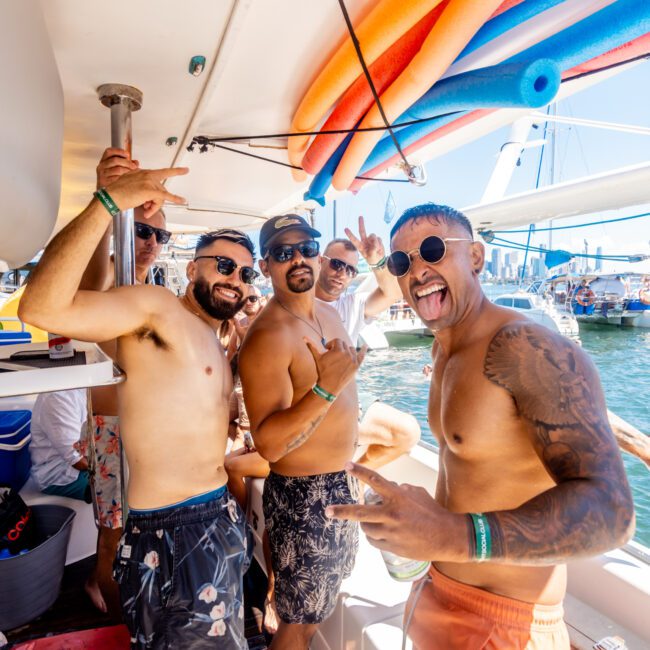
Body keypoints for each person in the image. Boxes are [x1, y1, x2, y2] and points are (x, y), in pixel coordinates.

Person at [328, 203, 635, 650]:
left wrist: (453, 534)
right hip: (438, 587)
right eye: (402, 261)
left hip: (505, 622)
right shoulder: (443, 351)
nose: (417, 271)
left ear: (475, 257)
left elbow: (613, 512)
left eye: (433, 251)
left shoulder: (523, 345)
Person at [19, 167, 255, 649]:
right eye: (223, 265)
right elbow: (41, 307)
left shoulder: (216, 341)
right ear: (192, 268)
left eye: (246, 273)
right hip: (177, 531)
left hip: (215, 520)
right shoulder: (157, 311)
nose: (235, 279)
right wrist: (106, 204)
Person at [238, 214, 365, 649]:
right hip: (305, 498)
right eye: (282, 252)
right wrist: (327, 389)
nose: (298, 259)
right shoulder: (267, 337)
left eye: (307, 249)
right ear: (266, 264)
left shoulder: (328, 312)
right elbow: (270, 445)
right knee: (299, 624)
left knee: (318, 611)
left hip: (343, 483)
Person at [78, 148, 174, 617]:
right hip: (113, 428)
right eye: (141, 230)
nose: (152, 242)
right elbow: (86, 294)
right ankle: (117, 621)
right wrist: (106, 203)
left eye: (160, 233)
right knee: (113, 535)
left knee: (141, 530)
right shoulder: (111, 279)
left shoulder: (155, 291)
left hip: (148, 428)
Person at [315, 218, 419, 467]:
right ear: (320, 261)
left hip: (347, 401)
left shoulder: (351, 305)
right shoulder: (296, 304)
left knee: (408, 432)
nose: (342, 274)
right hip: (311, 405)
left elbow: (393, 293)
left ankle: (358, 479)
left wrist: (375, 261)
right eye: (337, 265)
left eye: (350, 270)